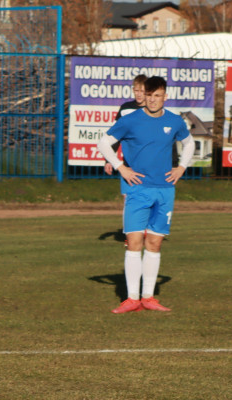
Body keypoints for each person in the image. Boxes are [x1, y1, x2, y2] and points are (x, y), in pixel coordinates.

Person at [97, 75, 194, 314]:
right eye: (149, 95)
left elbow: (189, 143)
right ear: (144, 96)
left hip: (164, 190)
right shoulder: (130, 120)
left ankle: (149, 297)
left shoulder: (174, 121)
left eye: (157, 95)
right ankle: (131, 298)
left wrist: (181, 167)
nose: (152, 100)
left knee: (155, 242)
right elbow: (103, 142)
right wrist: (121, 167)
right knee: (134, 242)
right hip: (137, 190)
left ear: (165, 96)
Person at [103, 73, 147, 177]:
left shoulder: (153, 109)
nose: (139, 94)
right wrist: (108, 160)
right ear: (133, 90)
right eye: (137, 91)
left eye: (142, 91)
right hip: (129, 164)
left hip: (150, 164)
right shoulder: (125, 109)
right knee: (128, 193)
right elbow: (115, 135)